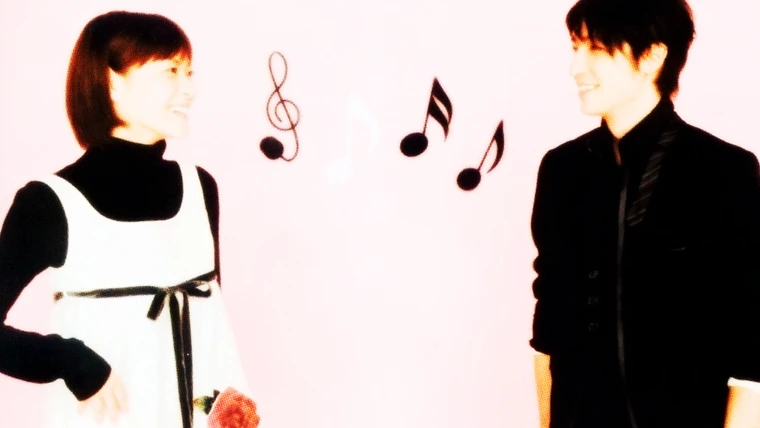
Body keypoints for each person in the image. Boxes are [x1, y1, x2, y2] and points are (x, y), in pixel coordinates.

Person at [0, 11, 258, 428]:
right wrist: (71, 360)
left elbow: (212, 324)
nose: (189, 89)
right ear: (112, 82)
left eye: (189, 72)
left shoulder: (200, 187)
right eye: (170, 71)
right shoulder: (49, 202)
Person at [529, 1, 760, 427]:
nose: (576, 67)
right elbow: (549, 322)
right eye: (576, 47)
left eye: (597, 48)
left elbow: (750, 333)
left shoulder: (723, 169)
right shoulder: (562, 169)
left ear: (653, 55)